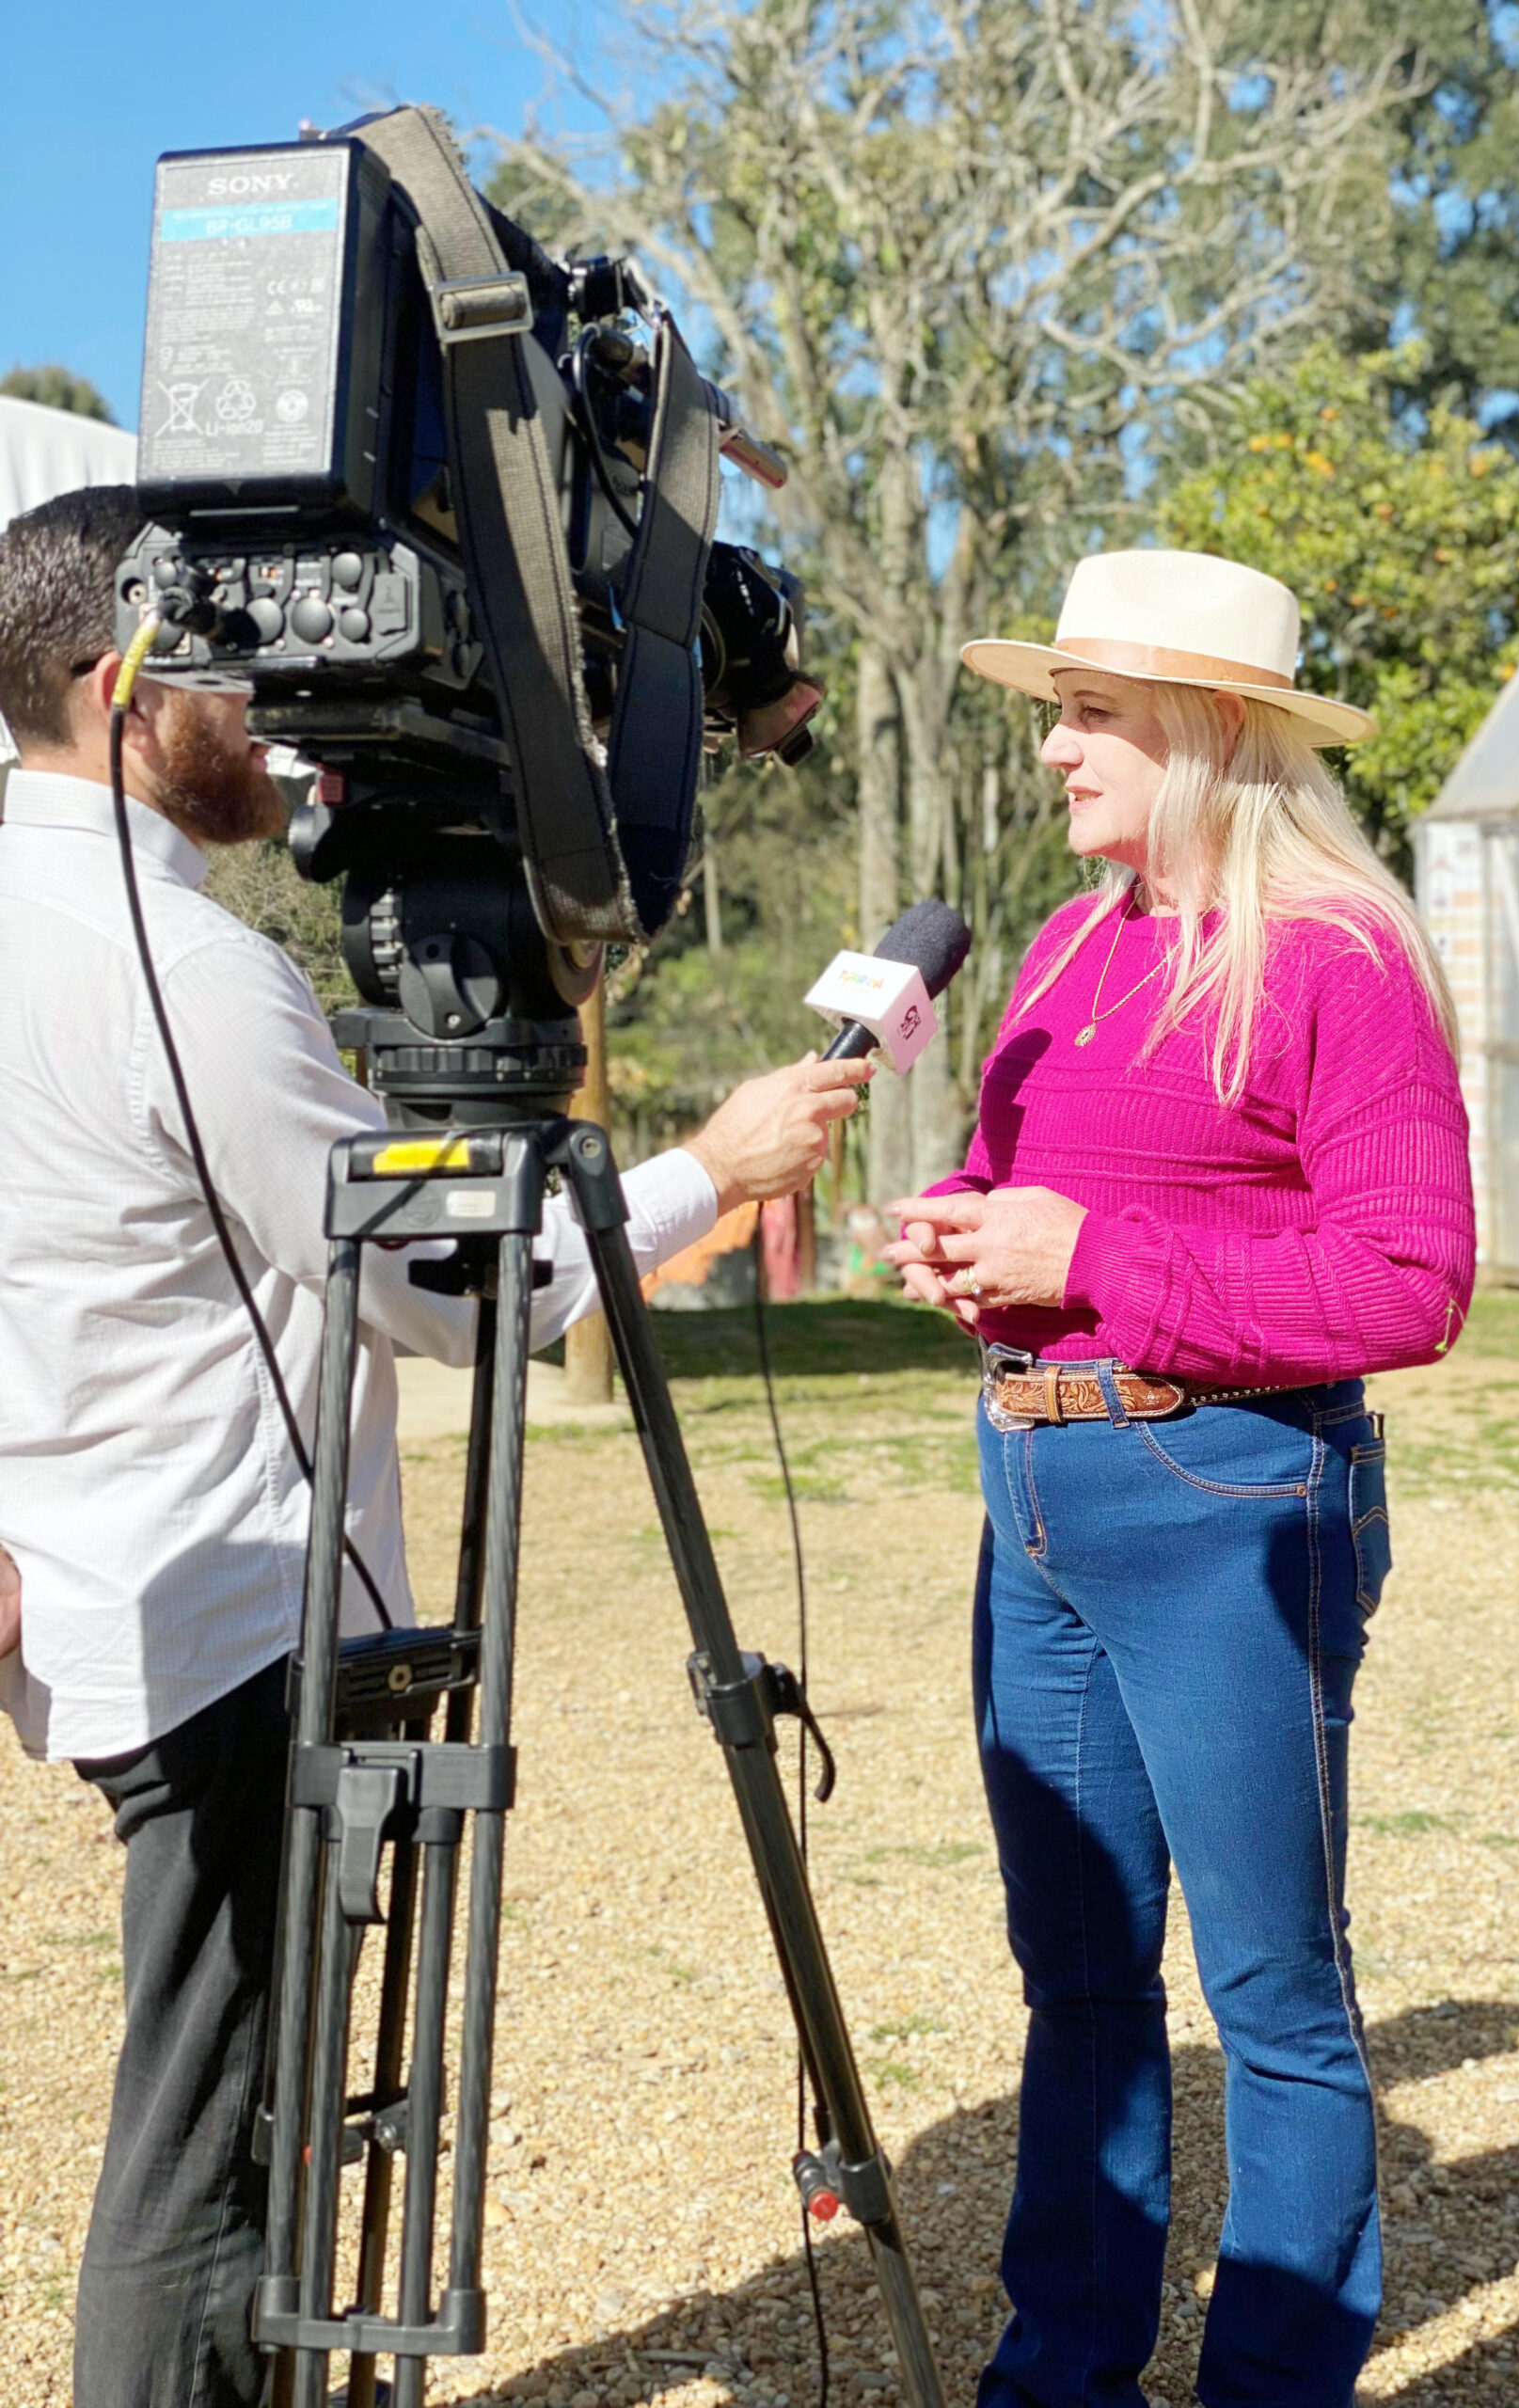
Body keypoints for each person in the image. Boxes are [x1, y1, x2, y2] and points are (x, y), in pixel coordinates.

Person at [0, 483, 868, 2408]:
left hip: (105, 1590)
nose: (282, 713)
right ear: (128, 679)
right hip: (231, 1616)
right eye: (242, 664)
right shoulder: (181, 963)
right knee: (209, 2151)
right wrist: (704, 1174)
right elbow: (436, 1287)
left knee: (232, 2114)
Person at [886, 550, 1475, 2408]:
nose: (1054, 748)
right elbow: (1044, 1190)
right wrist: (973, 1237)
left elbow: (1413, 1276)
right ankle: (1061, 2370)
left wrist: (1095, 1264)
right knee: (1076, 1982)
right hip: (1038, 1493)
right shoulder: (1072, 938)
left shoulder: (1338, 956)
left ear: (1208, 733)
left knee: (1274, 2002)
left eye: (1090, 713)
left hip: (1233, 1496)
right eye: (1056, 708)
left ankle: (1277, 2382)